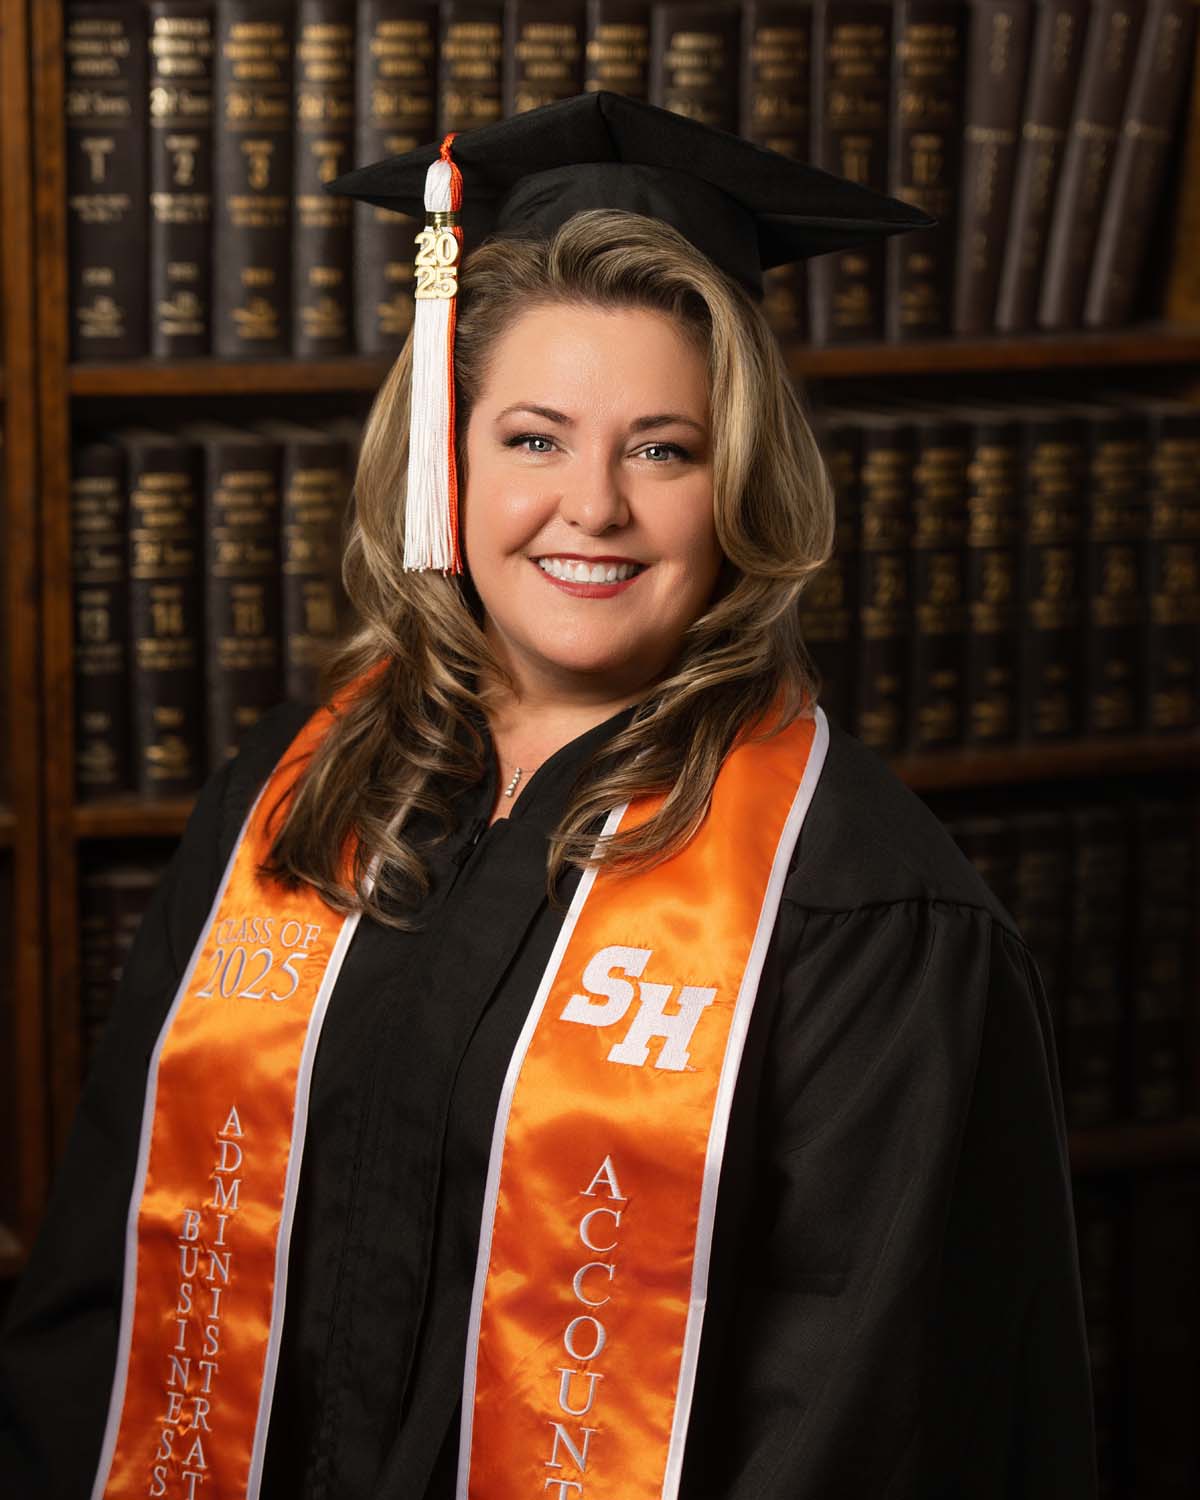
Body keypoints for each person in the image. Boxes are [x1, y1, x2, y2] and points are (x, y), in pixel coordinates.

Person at [1, 93, 1096, 1499]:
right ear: (446, 460)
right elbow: (108, 1283)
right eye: (532, 437)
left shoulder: (862, 916)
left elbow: (869, 1428)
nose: (593, 506)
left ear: (740, 484)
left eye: (662, 448)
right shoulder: (300, 804)